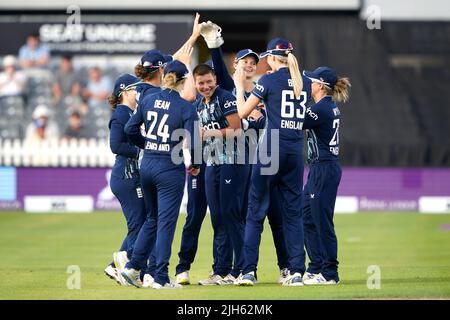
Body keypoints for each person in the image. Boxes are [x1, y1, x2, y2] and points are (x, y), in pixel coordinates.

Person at [200, 21, 291, 283]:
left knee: (274, 216)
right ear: (235, 66)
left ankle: (283, 268)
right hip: (235, 162)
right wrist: (214, 46)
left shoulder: (265, 89)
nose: (249, 65)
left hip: (263, 161)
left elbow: (261, 122)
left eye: (253, 62)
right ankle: (229, 270)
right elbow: (221, 75)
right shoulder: (230, 91)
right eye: (244, 61)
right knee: (228, 217)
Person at [233, 37, 311, 286]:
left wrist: (238, 86)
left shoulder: (268, 80)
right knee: (293, 215)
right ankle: (296, 271)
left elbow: (243, 113)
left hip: (270, 151)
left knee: (255, 212)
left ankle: (248, 271)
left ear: (273, 57)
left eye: (267, 57)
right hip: (295, 152)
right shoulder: (305, 81)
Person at [121, 60, 200, 289]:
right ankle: (160, 277)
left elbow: (129, 129)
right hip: (169, 167)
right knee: (166, 222)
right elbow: (194, 142)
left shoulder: (148, 99)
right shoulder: (186, 107)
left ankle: (133, 267)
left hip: (148, 165)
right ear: (184, 81)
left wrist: (147, 144)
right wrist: (195, 163)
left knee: (151, 218)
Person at [193, 63, 249, 286]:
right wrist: (196, 161)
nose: (205, 86)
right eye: (201, 83)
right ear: (195, 84)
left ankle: (242, 269)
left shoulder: (225, 97)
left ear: (215, 79)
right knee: (216, 217)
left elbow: (236, 129)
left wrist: (209, 133)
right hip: (211, 163)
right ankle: (220, 271)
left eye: (208, 82)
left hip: (233, 161)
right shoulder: (198, 104)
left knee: (230, 214)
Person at [300, 67, 351, 285]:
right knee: (306, 216)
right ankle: (316, 267)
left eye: (312, 82)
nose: (309, 85)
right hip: (319, 169)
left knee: (322, 221)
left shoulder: (321, 109)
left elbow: (295, 123)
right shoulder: (326, 106)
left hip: (324, 169)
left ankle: (330, 273)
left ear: (321, 85)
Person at [104, 74, 146, 286]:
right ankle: (124, 265)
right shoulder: (121, 114)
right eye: (135, 89)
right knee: (139, 224)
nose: (138, 92)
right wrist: (141, 150)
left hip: (131, 176)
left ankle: (115, 266)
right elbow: (115, 145)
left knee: (141, 222)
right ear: (125, 92)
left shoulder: (130, 112)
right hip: (125, 177)